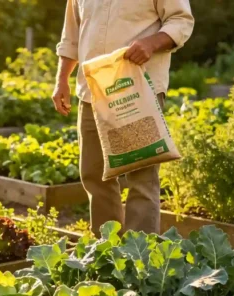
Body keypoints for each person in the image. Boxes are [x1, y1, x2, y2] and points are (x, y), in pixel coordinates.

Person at [53, 0, 194, 236]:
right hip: (92, 91)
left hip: (138, 91)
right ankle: (107, 250)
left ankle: (140, 256)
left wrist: (151, 43)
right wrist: (61, 80)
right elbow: (72, 34)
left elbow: (181, 20)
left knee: (141, 177)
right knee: (93, 173)